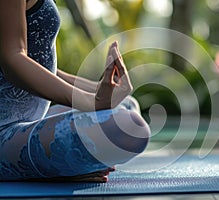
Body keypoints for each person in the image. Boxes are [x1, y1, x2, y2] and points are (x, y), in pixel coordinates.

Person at [0, 0, 150, 182]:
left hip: (30, 122)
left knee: (126, 104)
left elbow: (43, 67)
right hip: (4, 133)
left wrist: (100, 91)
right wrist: (90, 102)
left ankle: (62, 165)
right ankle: (62, 167)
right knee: (128, 127)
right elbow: (12, 59)